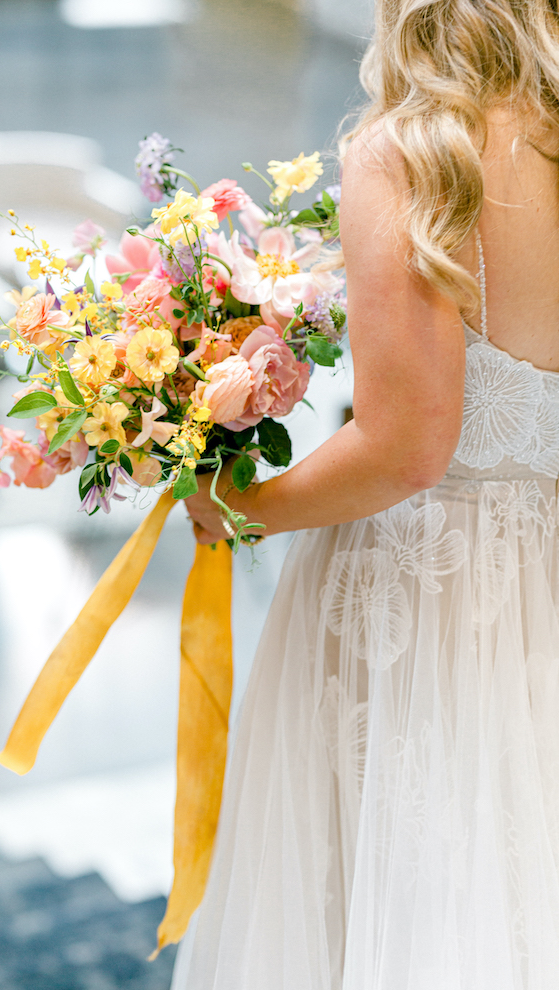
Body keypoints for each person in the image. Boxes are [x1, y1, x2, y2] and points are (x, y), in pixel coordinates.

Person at [175, 0, 559, 986]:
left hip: (429, 598)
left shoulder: (415, 153)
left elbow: (405, 449)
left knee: (414, 897)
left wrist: (240, 506)